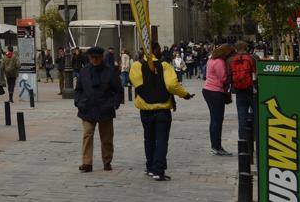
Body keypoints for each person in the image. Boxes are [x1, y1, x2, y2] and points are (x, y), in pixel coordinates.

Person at [130, 42, 194, 181]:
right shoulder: (165, 65)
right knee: (161, 140)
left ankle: (150, 167)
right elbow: (172, 85)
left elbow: (137, 84)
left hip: (145, 109)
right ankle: (159, 170)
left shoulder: (136, 66)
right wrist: (185, 94)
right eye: (158, 48)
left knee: (149, 138)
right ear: (155, 50)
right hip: (163, 109)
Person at [74, 46, 124, 172]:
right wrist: (78, 102)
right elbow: (78, 89)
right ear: (89, 58)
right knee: (87, 134)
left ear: (102, 57)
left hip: (105, 108)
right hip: (87, 108)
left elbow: (118, 90)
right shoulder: (84, 71)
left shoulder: (109, 72)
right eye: (92, 58)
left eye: (97, 58)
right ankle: (87, 163)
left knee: (106, 137)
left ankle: (107, 161)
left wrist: (114, 104)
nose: (94, 60)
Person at [202, 43, 235, 156]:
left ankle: (214, 145)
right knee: (217, 120)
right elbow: (223, 79)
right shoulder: (220, 62)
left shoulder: (211, 59)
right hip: (215, 91)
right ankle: (217, 146)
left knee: (214, 119)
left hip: (207, 90)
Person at [229, 41, 257, 143]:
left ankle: (243, 143)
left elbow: (229, 76)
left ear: (236, 49)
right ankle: (257, 141)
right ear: (246, 48)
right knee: (257, 118)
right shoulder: (253, 58)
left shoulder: (232, 60)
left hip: (239, 91)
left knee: (242, 119)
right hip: (253, 91)